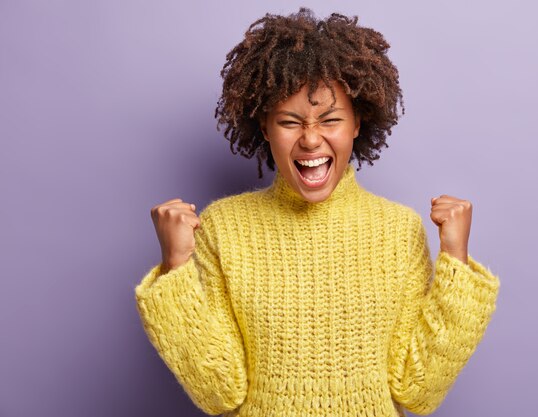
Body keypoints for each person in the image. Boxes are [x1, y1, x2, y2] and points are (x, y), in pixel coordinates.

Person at [134, 7, 500, 417]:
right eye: (290, 121)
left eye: (330, 120)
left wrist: (456, 260)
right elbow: (220, 392)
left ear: (358, 123)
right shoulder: (222, 227)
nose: (311, 139)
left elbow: (417, 390)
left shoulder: (398, 230)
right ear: (265, 127)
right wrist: (176, 266)